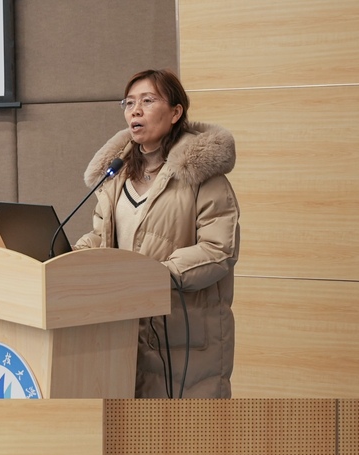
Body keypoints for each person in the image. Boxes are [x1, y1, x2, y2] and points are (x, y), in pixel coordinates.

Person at [74, 68, 240, 399]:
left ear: (176, 112)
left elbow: (218, 249)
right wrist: (69, 256)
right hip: (124, 329)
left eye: (148, 101)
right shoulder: (117, 175)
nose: (135, 111)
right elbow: (102, 237)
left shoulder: (202, 176)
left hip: (183, 335)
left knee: (185, 429)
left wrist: (154, 276)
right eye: (129, 102)